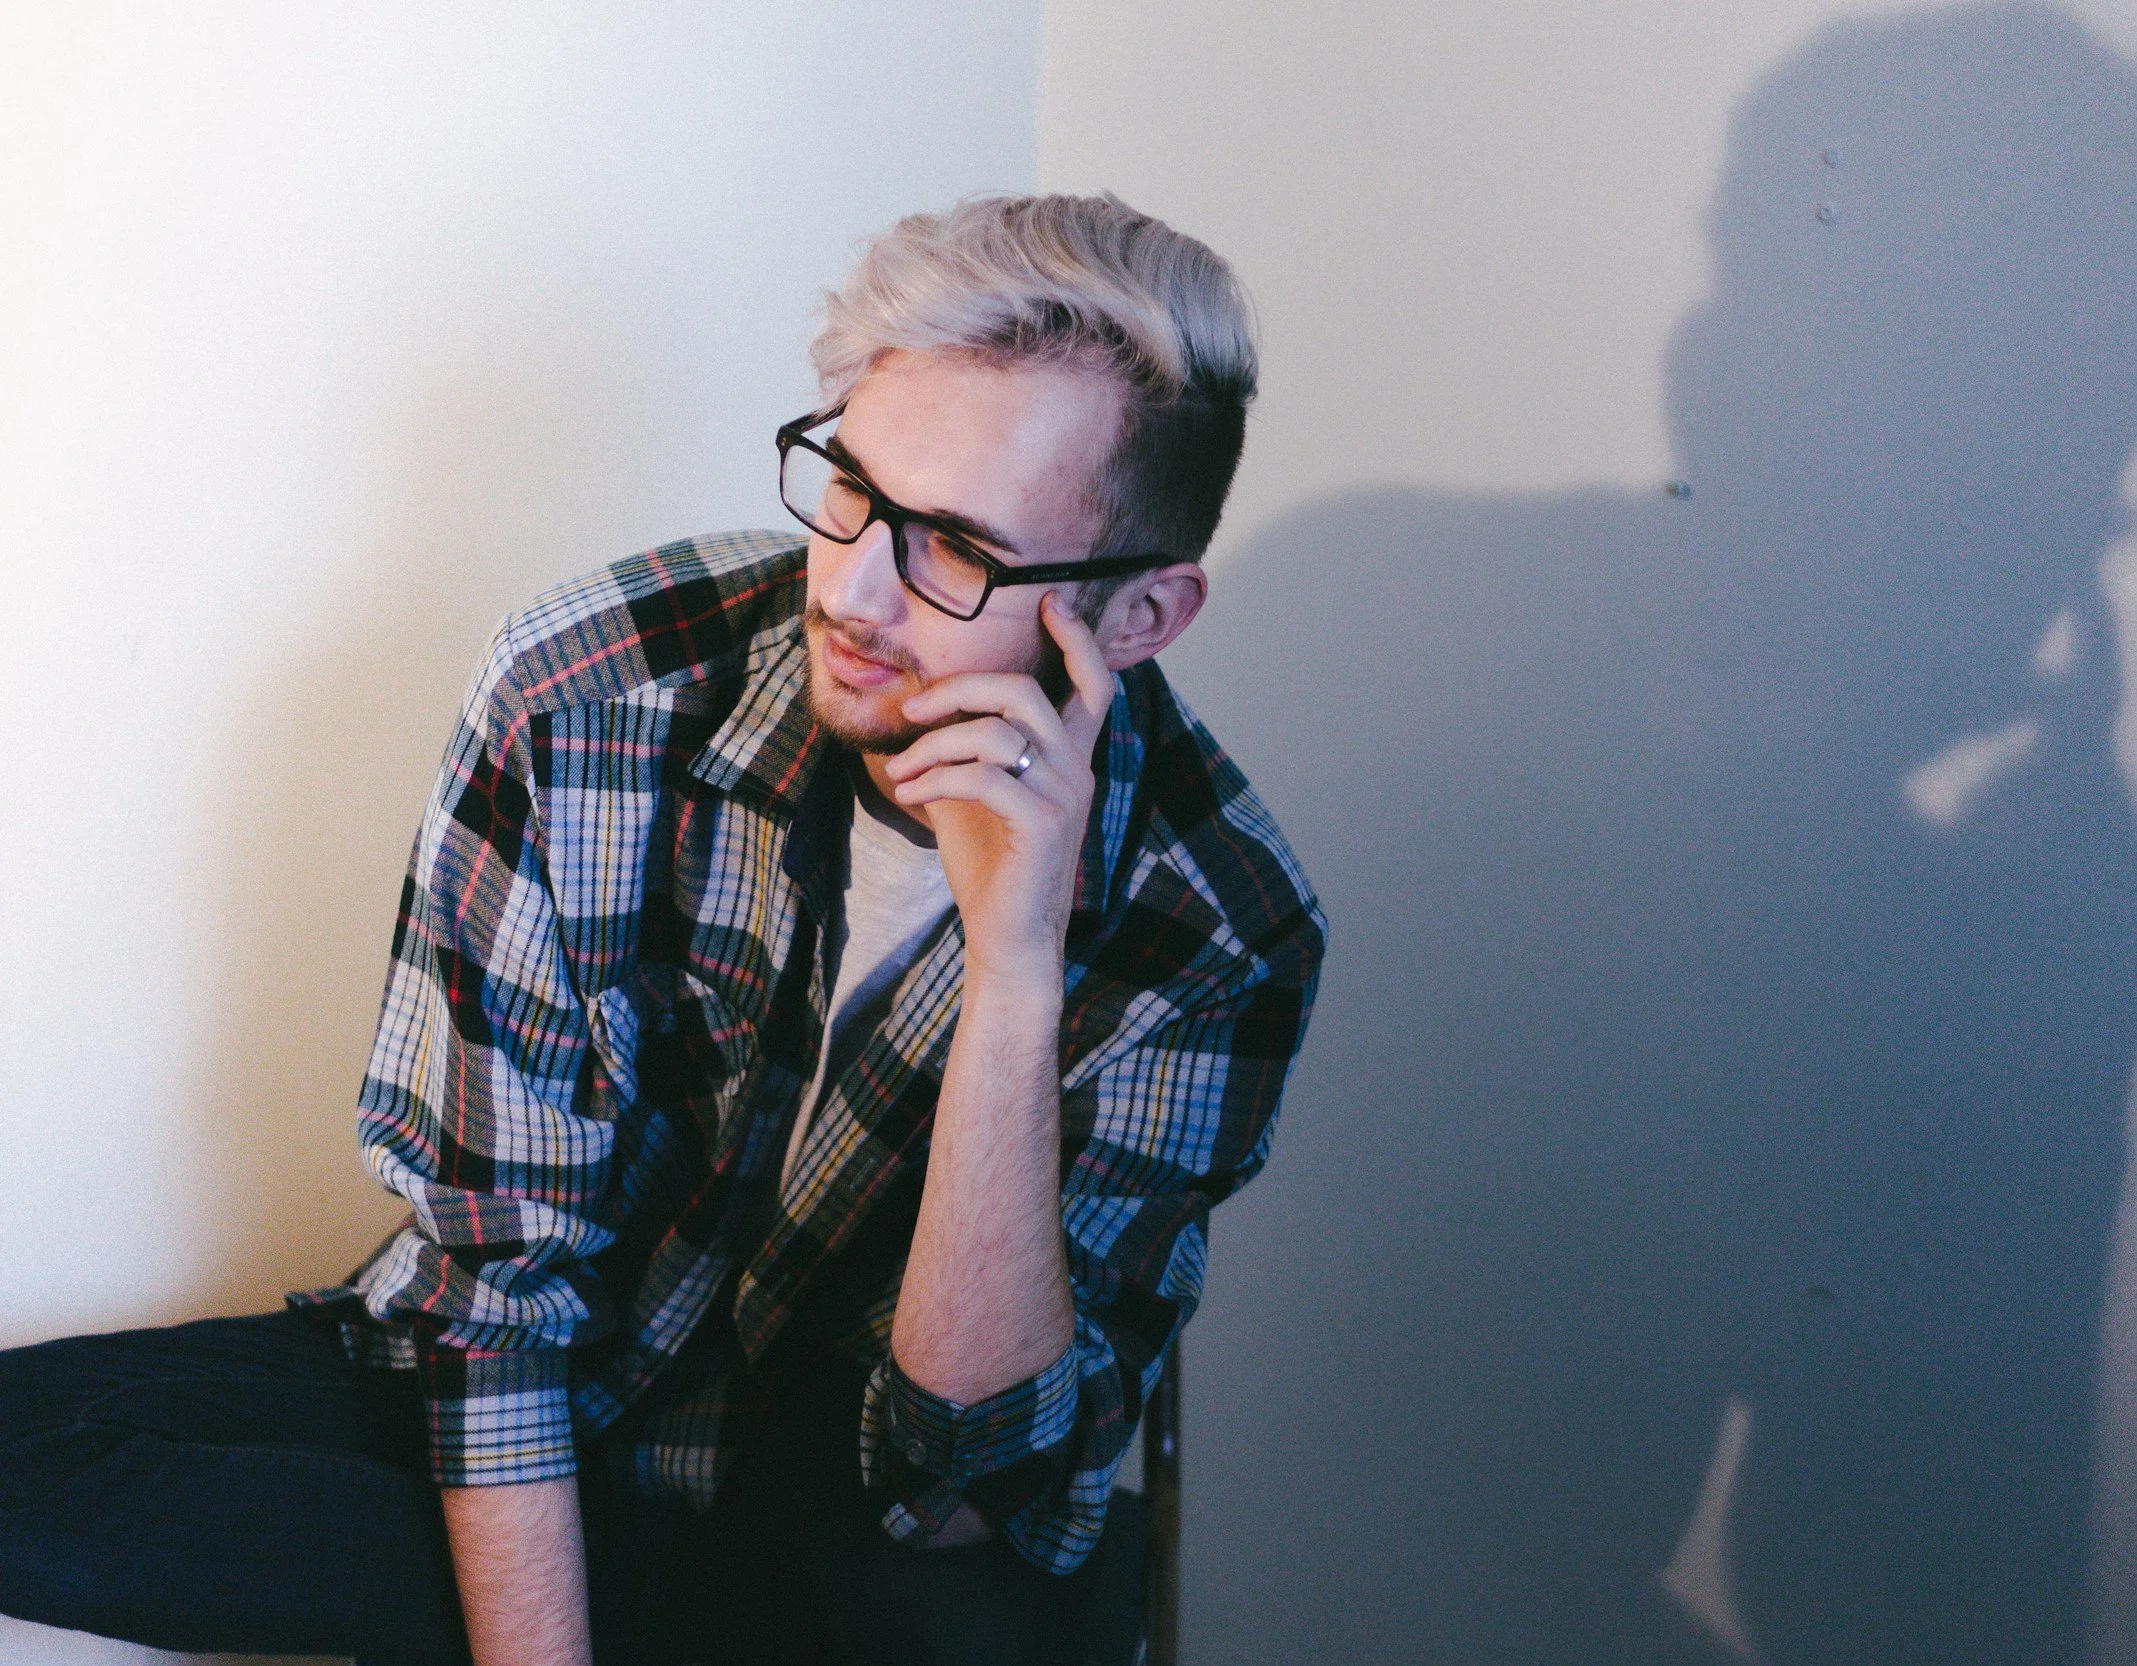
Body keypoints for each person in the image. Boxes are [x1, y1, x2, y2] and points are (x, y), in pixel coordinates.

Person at [0, 193, 1326, 1665]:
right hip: (547, 1388)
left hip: (859, 1517)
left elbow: (963, 1479)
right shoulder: (587, 698)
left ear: (1137, 615)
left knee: (933, 1598)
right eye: (850, 486)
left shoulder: (1217, 925)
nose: (858, 586)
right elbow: (495, 1306)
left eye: (954, 547)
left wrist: (1017, 973)